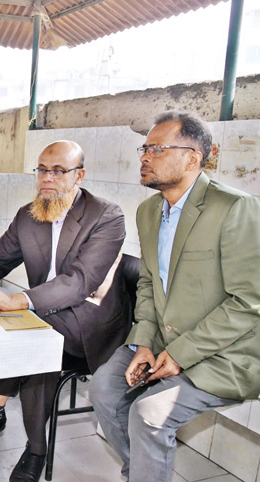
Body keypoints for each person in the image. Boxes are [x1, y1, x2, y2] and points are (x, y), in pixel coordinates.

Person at [88, 111, 260, 482]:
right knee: (103, 389)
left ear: (194, 158)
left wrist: (182, 354)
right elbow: (148, 283)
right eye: (145, 148)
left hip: (226, 353)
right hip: (163, 339)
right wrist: (144, 342)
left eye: (158, 148)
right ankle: (144, 472)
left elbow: (249, 303)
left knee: (149, 414)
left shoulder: (233, 208)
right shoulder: (149, 211)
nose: (145, 157)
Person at [0, 140, 129, 482]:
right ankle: (3, 417)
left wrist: (19, 301)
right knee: (28, 330)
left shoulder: (106, 216)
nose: (46, 178)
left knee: (35, 336)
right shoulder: (29, 215)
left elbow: (80, 283)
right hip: (45, 312)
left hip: (89, 321)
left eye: (58, 171)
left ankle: (20, 434)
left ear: (78, 175)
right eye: (41, 170)